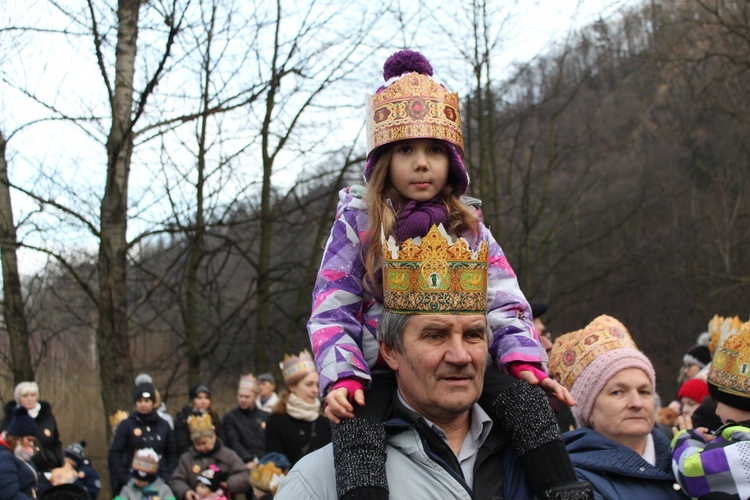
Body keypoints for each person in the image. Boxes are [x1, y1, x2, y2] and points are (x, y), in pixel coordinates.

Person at [307, 48, 579, 500]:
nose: (421, 163)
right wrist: (342, 377)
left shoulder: (469, 226)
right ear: (383, 161)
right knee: (357, 432)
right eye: (406, 150)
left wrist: (523, 358)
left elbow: (505, 300)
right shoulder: (357, 224)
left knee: (526, 404)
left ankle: (565, 490)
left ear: (450, 161)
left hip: (458, 357)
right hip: (377, 368)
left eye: (434, 150)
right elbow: (331, 307)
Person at [278, 230, 565, 499]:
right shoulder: (315, 483)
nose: (460, 355)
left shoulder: (543, 453)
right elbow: (332, 314)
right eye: (435, 335)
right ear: (389, 350)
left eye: (473, 335)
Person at [548, 315, 686, 499]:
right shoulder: (572, 480)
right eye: (617, 392)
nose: (636, 403)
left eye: (644, 391)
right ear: (588, 411)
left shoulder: (686, 460)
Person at [670, 317, 750, 498]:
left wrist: (686, 437)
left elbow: (691, 471)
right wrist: (717, 444)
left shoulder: (745, 453)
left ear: (741, 402)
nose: (716, 411)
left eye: (719, 401)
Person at [264, 351, 332, 467]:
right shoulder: (276, 422)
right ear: (292, 387)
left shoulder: (325, 421)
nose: (315, 390)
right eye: (309, 384)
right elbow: (273, 463)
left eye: (317, 385)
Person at [108, 382, 178, 495]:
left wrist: (167, 477)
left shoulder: (164, 426)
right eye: (139, 401)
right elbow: (115, 453)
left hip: (159, 484)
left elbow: (172, 454)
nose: (143, 405)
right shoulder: (126, 425)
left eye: (147, 401)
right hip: (131, 484)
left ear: (153, 403)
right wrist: (124, 478)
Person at [169, 413, 249, 500]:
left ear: (213, 437)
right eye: (197, 444)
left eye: (204, 443)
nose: (201, 447)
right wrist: (186, 491)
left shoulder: (228, 455)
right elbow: (176, 480)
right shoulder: (186, 458)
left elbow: (245, 474)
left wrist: (228, 483)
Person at [1, 381, 63, 473]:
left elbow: (56, 442)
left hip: (48, 468)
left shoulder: (48, 417)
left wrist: (58, 460)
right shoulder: (9, 419)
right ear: (19, 398)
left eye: (32, 395)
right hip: (20, 468)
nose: (29, 399)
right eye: (25, 396)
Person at [222, 373, 269, 467]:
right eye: (240, 396)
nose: (243, 400)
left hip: (266, 460)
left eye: (247, 397)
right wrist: (247, 459)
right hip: (242, 462)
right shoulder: (231, 417)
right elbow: (234, 442)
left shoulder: (266, 416)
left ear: (255, 397)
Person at [0, 406, 40, 499]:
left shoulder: (19, 454)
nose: (31, 444)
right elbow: (9, 494)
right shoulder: (4, 457)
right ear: (17, 438)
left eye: (33, 441)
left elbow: (31, 485)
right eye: (29, 440)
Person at [174, 383, 225, 456]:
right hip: (191, 457)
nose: (203, 401)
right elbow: (182, 444)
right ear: (193, 400)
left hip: (214, 454)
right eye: (199, 398)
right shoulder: (183, 418)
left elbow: (222, 438)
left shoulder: (214, 417)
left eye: (206, 398)